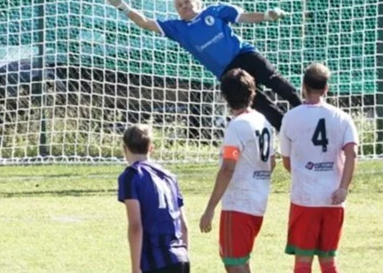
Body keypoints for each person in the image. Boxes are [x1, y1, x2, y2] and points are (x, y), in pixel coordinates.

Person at [102, 0, 302, 131]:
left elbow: (244, 17)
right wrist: (123, 6)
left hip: (245, 54)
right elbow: (145, 22)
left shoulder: (215, 11)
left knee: (274, 80)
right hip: (228, 72)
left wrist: (267, 15)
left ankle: (307, 110)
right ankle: (290, 132)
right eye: (179, 5)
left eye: (186, 1)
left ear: (197, 1)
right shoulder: (177, 28)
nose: (184, 6)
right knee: (258, 102)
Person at [278, 63, 358, 273]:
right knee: (328, 261)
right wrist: (343, 187)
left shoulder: (291, 117)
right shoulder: (342, 118)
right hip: (333, 199)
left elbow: (287, 162)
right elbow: (352, 154)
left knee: (303, 262)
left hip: (304, 198)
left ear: (303, 86)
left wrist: (306, 175)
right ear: (326, 88)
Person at [198, 68, 275, 272]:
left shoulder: (237, 126)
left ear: (225, 97)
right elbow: (272, 162)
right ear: (252, 92)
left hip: (239, 204)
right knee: (242, 260)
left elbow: (227, 169)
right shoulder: (263, 121)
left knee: (234, 264)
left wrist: (210, 209)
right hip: (258, 201)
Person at [118, 124, 190, 273]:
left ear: (124, 149)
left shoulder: (131, 176)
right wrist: (185, 256)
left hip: (156, 261)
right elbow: (183, 226)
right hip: (181, 258)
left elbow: (136, 226)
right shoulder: (169, 177)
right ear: (151, 148)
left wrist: (135, 268)